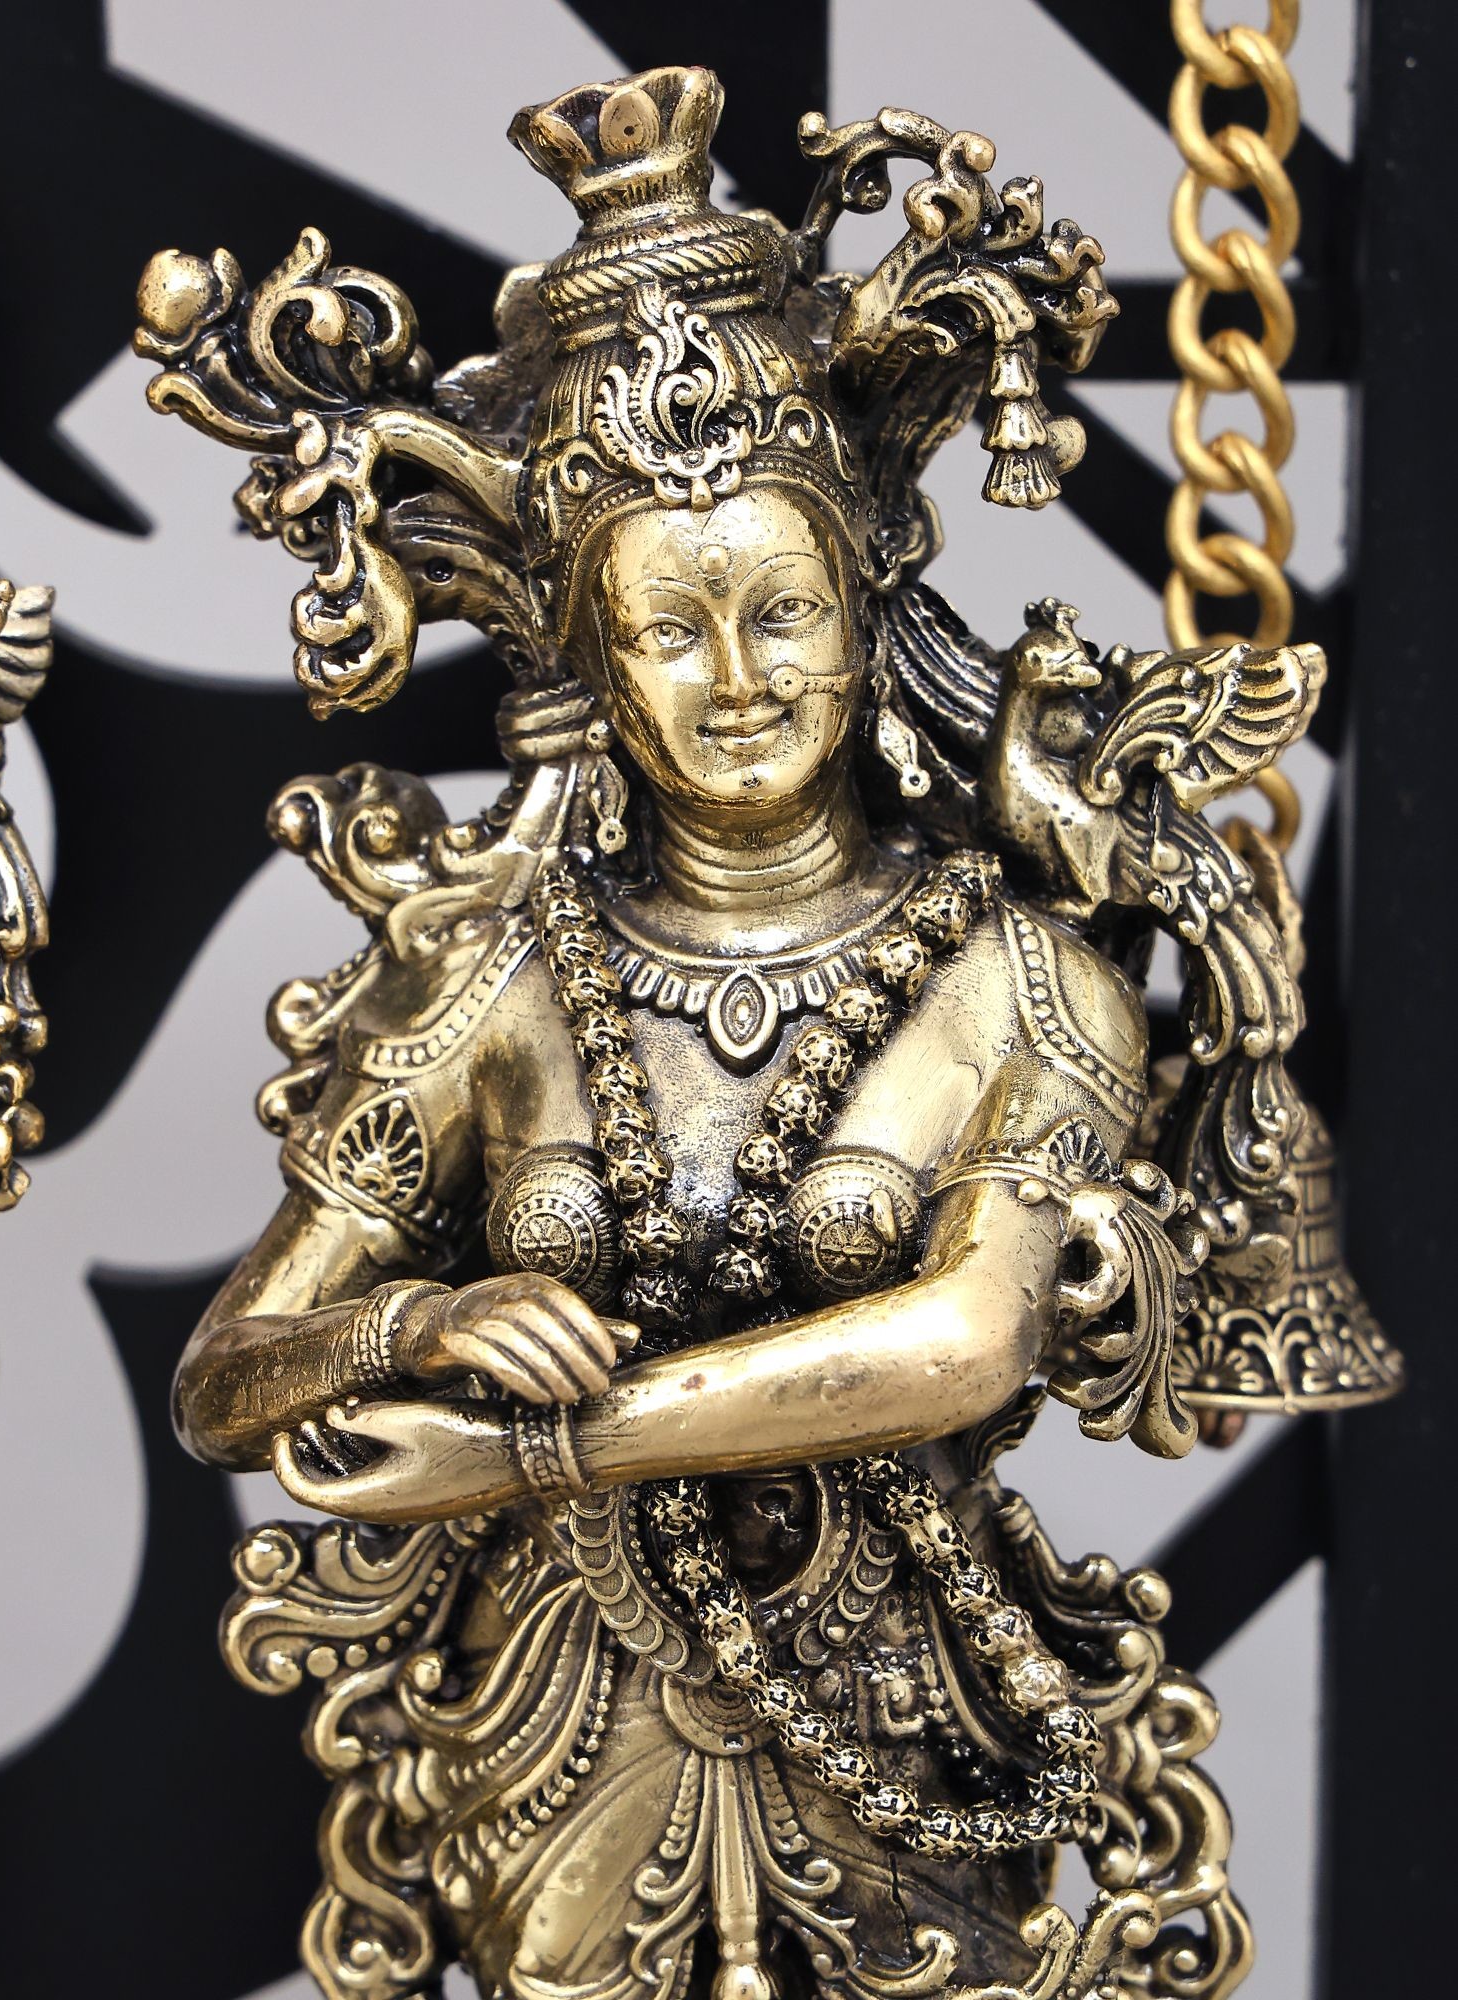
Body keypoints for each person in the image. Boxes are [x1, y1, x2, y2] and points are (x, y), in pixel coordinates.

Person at [139, 65, 1312, 2000]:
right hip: (559, 1730)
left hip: (901, 1713)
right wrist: (411, 1329)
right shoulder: (496, 979)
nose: (740, 678)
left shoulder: (1017, 978)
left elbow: (963, 1339)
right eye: (670, 629)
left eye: (783, 611)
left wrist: (531, 1450)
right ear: (591, 663)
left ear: (867, 607)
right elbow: (226, 1381)